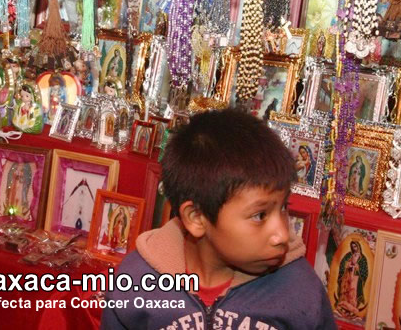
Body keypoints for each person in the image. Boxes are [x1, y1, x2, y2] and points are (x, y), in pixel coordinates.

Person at [101, 109, 336, 329]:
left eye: (284, 207)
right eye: (259, 216)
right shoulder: (135, 282)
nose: (282, 234)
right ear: (197, 218)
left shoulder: (300, 289)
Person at [335, 241, 368, 318]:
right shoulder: (349, 255)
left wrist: (357, 267)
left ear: (358, 246)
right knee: (346, 290)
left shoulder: (362, 258)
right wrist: (347, 265)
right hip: (348, 275)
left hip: (356, 277)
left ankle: (352, 309)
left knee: (353, 293)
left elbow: (365, 270)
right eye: (353, 247)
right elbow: (343, 263)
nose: (354, 248)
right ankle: (344, 307)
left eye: (355, 246)